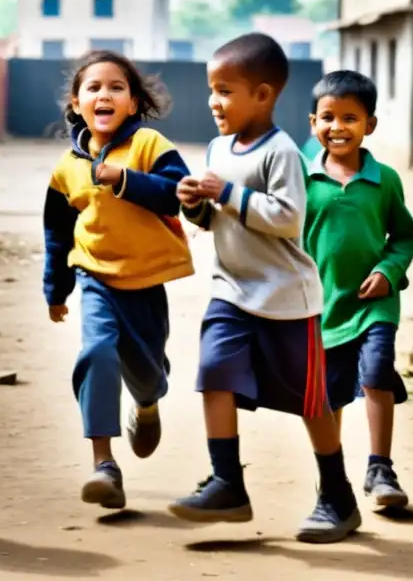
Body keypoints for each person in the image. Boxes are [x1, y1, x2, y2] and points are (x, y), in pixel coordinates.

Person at [170, 33, 361, 543]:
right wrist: (195, 204)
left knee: (311, 403)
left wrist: (227, 192)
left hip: (286, 300)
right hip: (231, 289)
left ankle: (337, 495)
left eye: (226, 90)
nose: (214, 101)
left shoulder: (282, 153)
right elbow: (215, 221)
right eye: (212, 89)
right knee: (213, 373)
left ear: (263, 94)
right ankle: (227, 482)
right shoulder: (216, 147)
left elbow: (286, 217)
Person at [43, 50, 194, 510]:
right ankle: (104, 464)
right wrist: (56, 288)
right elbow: (56, 231)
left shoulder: (149, 145)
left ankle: (147, 404)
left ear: (132, 102)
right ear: (76, 102)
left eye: (116, 87)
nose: (104, 94)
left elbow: (176, 196)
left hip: (146, 280)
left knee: (146, 374)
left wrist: (123, 178)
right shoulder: (67, 167)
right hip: (94, 277)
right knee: (97, 352)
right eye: (93, 87)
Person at [303, 69, 413, 509]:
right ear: (313, 122)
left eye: (350, 118)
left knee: (375, 372)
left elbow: (405, 236)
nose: (338, 127)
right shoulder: (302, 178)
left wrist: (389, 271)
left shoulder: (384, 180)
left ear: (369, 124)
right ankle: (331, 476)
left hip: (375, 304)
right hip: (321, 306)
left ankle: (380, 468)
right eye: (328, 117)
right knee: (329, 393)